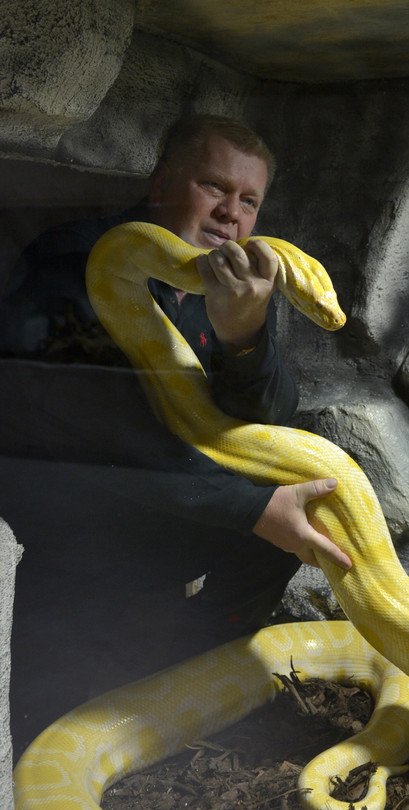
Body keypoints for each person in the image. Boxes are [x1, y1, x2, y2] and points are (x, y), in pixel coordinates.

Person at [0, 114, 351, 652]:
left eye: (250, 201)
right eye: (215, 186)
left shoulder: (238, 284)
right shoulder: (78, 262)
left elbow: (269, 418)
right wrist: (250, 509)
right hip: (78, 526)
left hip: (173, 509)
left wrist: (243, 335)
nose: (231, 213)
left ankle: (197, 667)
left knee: (313, 519)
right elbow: (99, 431)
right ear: (161, 182)